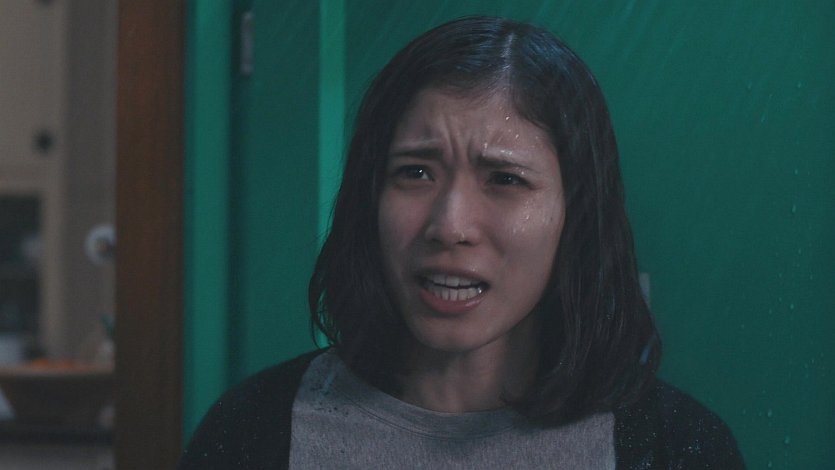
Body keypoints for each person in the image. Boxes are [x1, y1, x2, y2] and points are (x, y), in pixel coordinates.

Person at [179, 16, 745, 469]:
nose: (450, 225)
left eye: (505, 179)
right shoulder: (253, 431)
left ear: (576, 214)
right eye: (415, 173)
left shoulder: (672, 447)